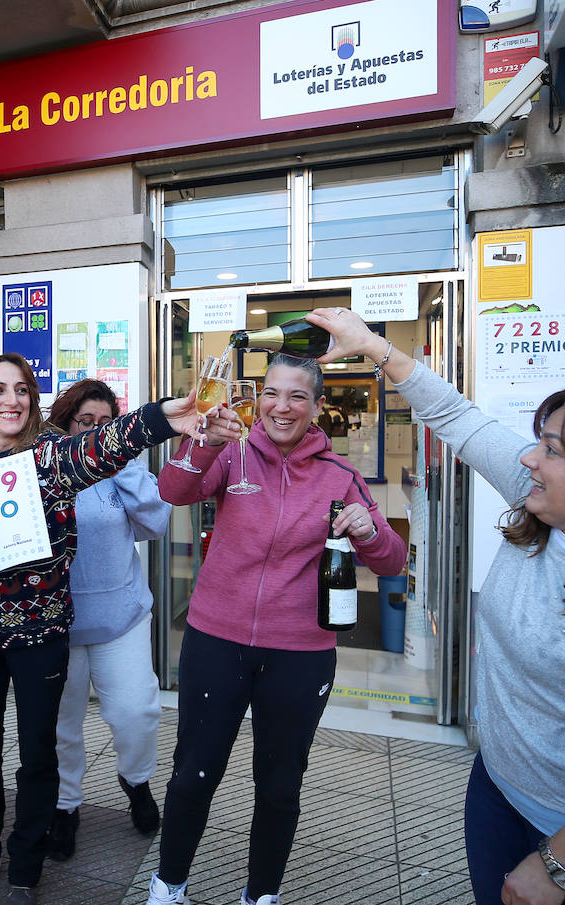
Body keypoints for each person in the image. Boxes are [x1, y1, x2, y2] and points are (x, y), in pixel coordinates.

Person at [306, 305, 565, 905]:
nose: (530, 458)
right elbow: (456, 416)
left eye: (553, 450)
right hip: (498, 793)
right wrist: (374, 347)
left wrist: (557, 866)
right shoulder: (542, 503)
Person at [0, 353, 234, 905]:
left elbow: (107, 443)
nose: (11, 399)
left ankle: (25, 867)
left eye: (22, 389)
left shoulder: (51, 458)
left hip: (44, 633)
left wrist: (170, 416)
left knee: (39, 752)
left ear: (32, 402)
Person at [147, 353, 407, 905]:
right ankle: (168, 886)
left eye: (296, 397)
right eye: (271, 393)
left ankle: (260, 894)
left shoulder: (342, 477)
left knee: (280, 782)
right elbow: (173, 489)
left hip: (300, 652)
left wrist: (368, 531)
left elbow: (391, 561)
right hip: (216, 638)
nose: (280, 407)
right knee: (194, 771)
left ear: (316, 408)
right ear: (258, 397)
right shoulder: (232, 451)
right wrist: (206, 442)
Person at [45, 379, 170, 861]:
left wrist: (120, 463)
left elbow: (156, 524)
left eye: (106, 424)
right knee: (61, 724)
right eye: (85, 423)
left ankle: (136, 781)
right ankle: (65, 805)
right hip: (58, 621)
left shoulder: (125, 466)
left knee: (137, 712)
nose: (95, 431)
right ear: (65, 423)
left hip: (121, 617)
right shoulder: (47, 466)